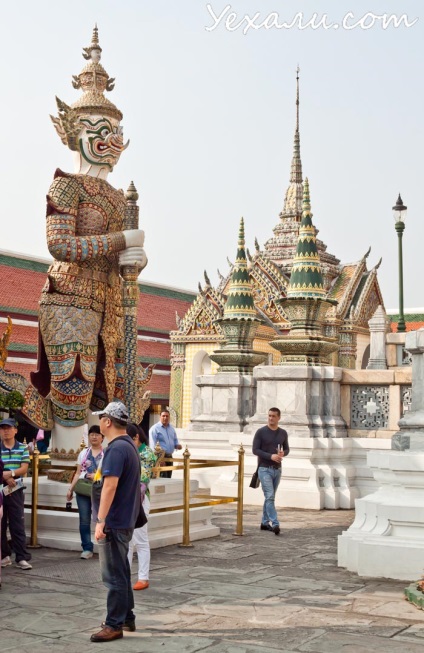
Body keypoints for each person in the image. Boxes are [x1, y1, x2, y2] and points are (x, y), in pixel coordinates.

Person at [90, 401, 144, 643]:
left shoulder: (116, 449)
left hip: (115, 520)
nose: (99, 422)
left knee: (113, 576)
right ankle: (127, 617)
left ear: (108, 421)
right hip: (125, 519)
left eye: (101, 418)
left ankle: (114, 624)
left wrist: (101, 520)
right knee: (121, 571)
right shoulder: (129, 446)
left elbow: (110, 486)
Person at [66, 425, 104, 559]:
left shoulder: (107, 453)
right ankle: (87, 547)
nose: (94, 437)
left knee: (103, 518)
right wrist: (71, 489)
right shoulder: (84, 453)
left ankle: (105, 546)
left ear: (102, 437)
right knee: (84, 519)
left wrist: (97, 476)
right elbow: (77, 473)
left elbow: (110, 474)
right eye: (91, 434)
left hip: (100, 490)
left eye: (97, 434)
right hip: (83, 489)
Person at [127, 423, 157, 591]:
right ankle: (125, 573)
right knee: (128, 540)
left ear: (136, 437)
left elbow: (143, 478)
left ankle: (143, 577)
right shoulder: (131, 450)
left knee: (140, 539)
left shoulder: (146, 453)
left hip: (140, 499)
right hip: (127, 498)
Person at [0, 418, 32, 569]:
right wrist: (5, 478)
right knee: (0, 524)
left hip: (16, 489)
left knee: (17, 524)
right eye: (3, 428)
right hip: (1, 489)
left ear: (15, 430)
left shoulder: (22, 448)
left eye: (8, 428)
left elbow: (24, 468)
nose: (5, 431)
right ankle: (4, 555)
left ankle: (21, 557)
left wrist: (11, 474)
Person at [252, 407, 289, 536]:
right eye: (269, 416)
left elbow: (287, 449)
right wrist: (270, 456)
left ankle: (264, 523)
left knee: (269, 497)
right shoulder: (261, 432)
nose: (271, 418)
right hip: (263, 468)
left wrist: (283, 453)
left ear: (279, 417)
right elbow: (255, 450)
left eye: (273, 416)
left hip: (277, 469)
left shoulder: (283, 433)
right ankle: (275, 523)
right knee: (270, 496)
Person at [149, 410, 182, 478]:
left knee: (168, 478)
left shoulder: (171, 428)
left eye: (167, 416)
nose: (165, 418)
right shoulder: (155, 429)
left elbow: (175, 440)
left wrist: (177, 445)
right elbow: (152, 446)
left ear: (169, 417)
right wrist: (158, 459)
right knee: (162, 478)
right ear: (160, 417)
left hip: (170, 457)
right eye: (163, 416)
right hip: (161, 457)